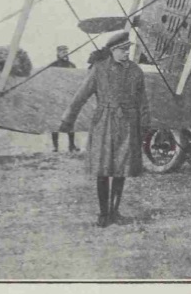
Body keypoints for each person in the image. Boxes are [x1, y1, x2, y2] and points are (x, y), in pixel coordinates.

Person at [59, 32, 150, 228]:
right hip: (104, 123)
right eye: (122, 50)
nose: (126, 53)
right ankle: (103, 213)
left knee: (121, 169)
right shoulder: (99, 70)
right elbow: (81, 95)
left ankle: (115, 212)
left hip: (128, 124)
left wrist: (144, 123)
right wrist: (68, 118)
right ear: (112, 51)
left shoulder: (136, 71)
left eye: (128, 50)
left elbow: (143, 100)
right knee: (103, 169)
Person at [49, 45, 79, 153]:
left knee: (70, 121)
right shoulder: (53, 65)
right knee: (55, 121)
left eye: (66, 52)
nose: (65, 54)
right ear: (58, 53)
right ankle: (55, 146)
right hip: (57, 97)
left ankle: (71, 145)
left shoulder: (72, 66)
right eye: (62, 52)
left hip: (68, 97)